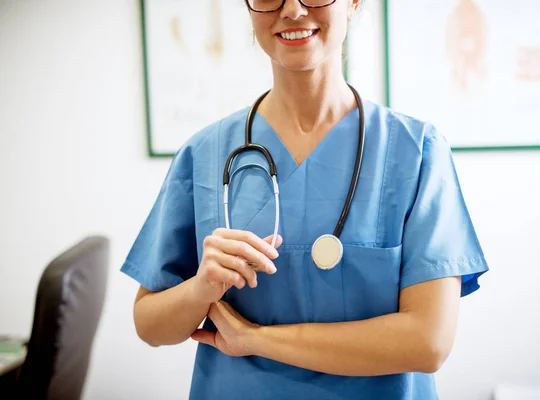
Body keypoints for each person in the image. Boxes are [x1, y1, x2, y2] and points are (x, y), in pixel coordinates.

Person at [121, 0, 489, 399]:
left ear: (353, 4)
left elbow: (428, 342)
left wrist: (255, 339)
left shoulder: (415, 151)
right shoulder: (204, 154)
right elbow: (149, 324)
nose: (293, 10)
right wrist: (200, 289)